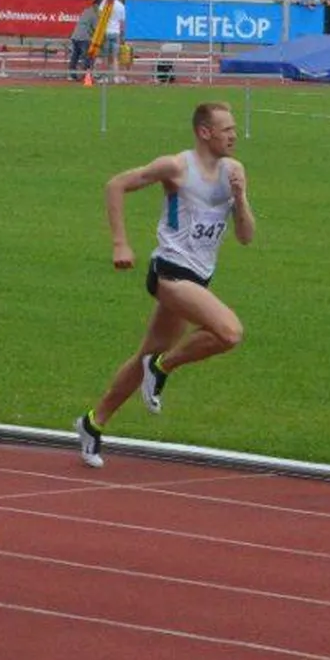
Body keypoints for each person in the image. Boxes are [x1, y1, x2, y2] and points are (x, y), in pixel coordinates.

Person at [75, 102, 255, 468]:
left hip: (199, 278)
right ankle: (163, 367)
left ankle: (92, 423)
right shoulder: (176, 167)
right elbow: (116, 185)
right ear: (205, 132)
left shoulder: (234, 172)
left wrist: (239, 198)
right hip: (170, 272)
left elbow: (246, 236)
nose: (234, 135)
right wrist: (120, 243)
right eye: (226, 130)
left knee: (143, 356)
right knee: (229, 333)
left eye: (234, 129)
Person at [91, 0, 127, 82]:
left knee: (105, 57)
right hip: (116, 33)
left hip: (106, 32)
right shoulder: (121, 6)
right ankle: (116, 77)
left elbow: (100, 17)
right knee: (115, 57)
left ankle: (105, 77)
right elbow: (122, 23)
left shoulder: (104, 3)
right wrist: (122, 36)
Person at [68, 0, 99, 80]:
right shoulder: (94, 14)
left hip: (75, 35)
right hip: (84, 37)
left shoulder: (86, 10)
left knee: (75, 56)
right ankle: (85, 75)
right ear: (97, 5)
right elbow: (96, 28)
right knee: (86, 57)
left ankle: (71, 75)